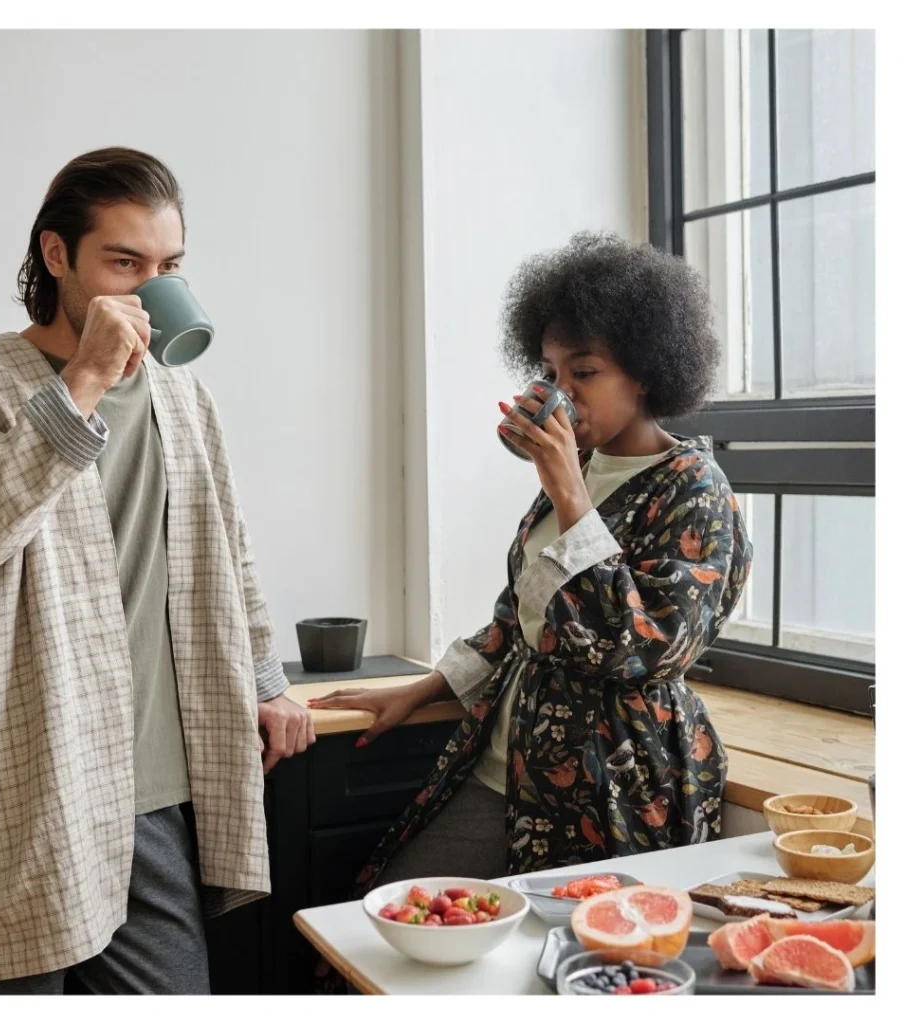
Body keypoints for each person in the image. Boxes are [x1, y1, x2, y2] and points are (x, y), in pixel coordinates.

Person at [0, 147, 315, 994]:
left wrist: (269, 679)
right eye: (123, 263)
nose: (146, 287)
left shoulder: (180, 393)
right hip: (23, 784)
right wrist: (86, 378)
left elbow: (223, 545)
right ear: (57, 256)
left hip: (154, 785)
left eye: (167, 267)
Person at [309, 232, 752, 897]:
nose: (562, 392)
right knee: (393, 920)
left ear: (647, 371)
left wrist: (569, 489)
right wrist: (423, 689)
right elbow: (518, 616)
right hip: (509, 767)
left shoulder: (694, 489)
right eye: (550, 372)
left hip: (615, 787)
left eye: (585, 372)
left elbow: (647, 651)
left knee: (562, 977)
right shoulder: (577, 469)